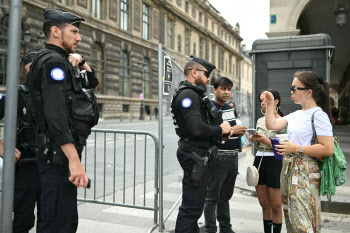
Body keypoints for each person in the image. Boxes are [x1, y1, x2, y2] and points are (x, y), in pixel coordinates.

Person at [27, 9, 99, 232]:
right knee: (57, 222)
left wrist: (82, 61)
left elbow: (92, 82)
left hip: (59, 156)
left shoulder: (60, 61)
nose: (79, 37)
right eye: (74, 31)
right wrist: (74, 160)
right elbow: (56, 116)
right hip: (57, 156)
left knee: (65, 220)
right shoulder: (53, 64)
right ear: (56, 32)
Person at [262, 71, 334, 233]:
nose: (291, 92)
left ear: (309, 92)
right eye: (291, 88)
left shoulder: (318, 115)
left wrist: (296, 148)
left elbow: (328, 148)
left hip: (305, 171)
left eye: (295, 88)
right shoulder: (296, 114)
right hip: (288, 170)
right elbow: (271, 125)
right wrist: (270, 104)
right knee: (291, 218)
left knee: (303, 221)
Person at [171, 55, 232, 233]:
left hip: (198, 154)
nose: (207, 80)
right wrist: (220, 129)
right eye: (206, 75)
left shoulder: (193, 94)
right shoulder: (188, 95)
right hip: (194, 154)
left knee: (194, 206)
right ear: (194, 72)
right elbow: (196, 128)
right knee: (191, 208)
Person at [0, 49, 41, 233]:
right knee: (23, 219)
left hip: (53, 166)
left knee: (51, 220)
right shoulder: (18, 95)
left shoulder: (54, 94)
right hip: (26, 166)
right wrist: (2, 148)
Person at [204, 77, 247, 233]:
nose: (227, 92)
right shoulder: (208, 107)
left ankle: (225, 228)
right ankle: (210, 229)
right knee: (212, 197)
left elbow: (232, 132)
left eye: (229, 89)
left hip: (232, 157)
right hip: (218, 156)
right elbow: (210, 132)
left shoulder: (229, 108)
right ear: (215, 89)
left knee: (225, 196)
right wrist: (232, 131)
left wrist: (243, 132)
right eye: (223, 88)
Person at [249, 90, 286, 233]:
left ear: (275, 102)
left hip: (275, 162)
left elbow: (284, 148)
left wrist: (268, 141)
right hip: (259, 159)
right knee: (264, 204)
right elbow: (259, 146)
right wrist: (255, 140)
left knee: (276, 205)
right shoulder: (260, 120)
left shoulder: (282, 121)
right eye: (261, 100)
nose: (263, 103)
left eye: (266, 100)